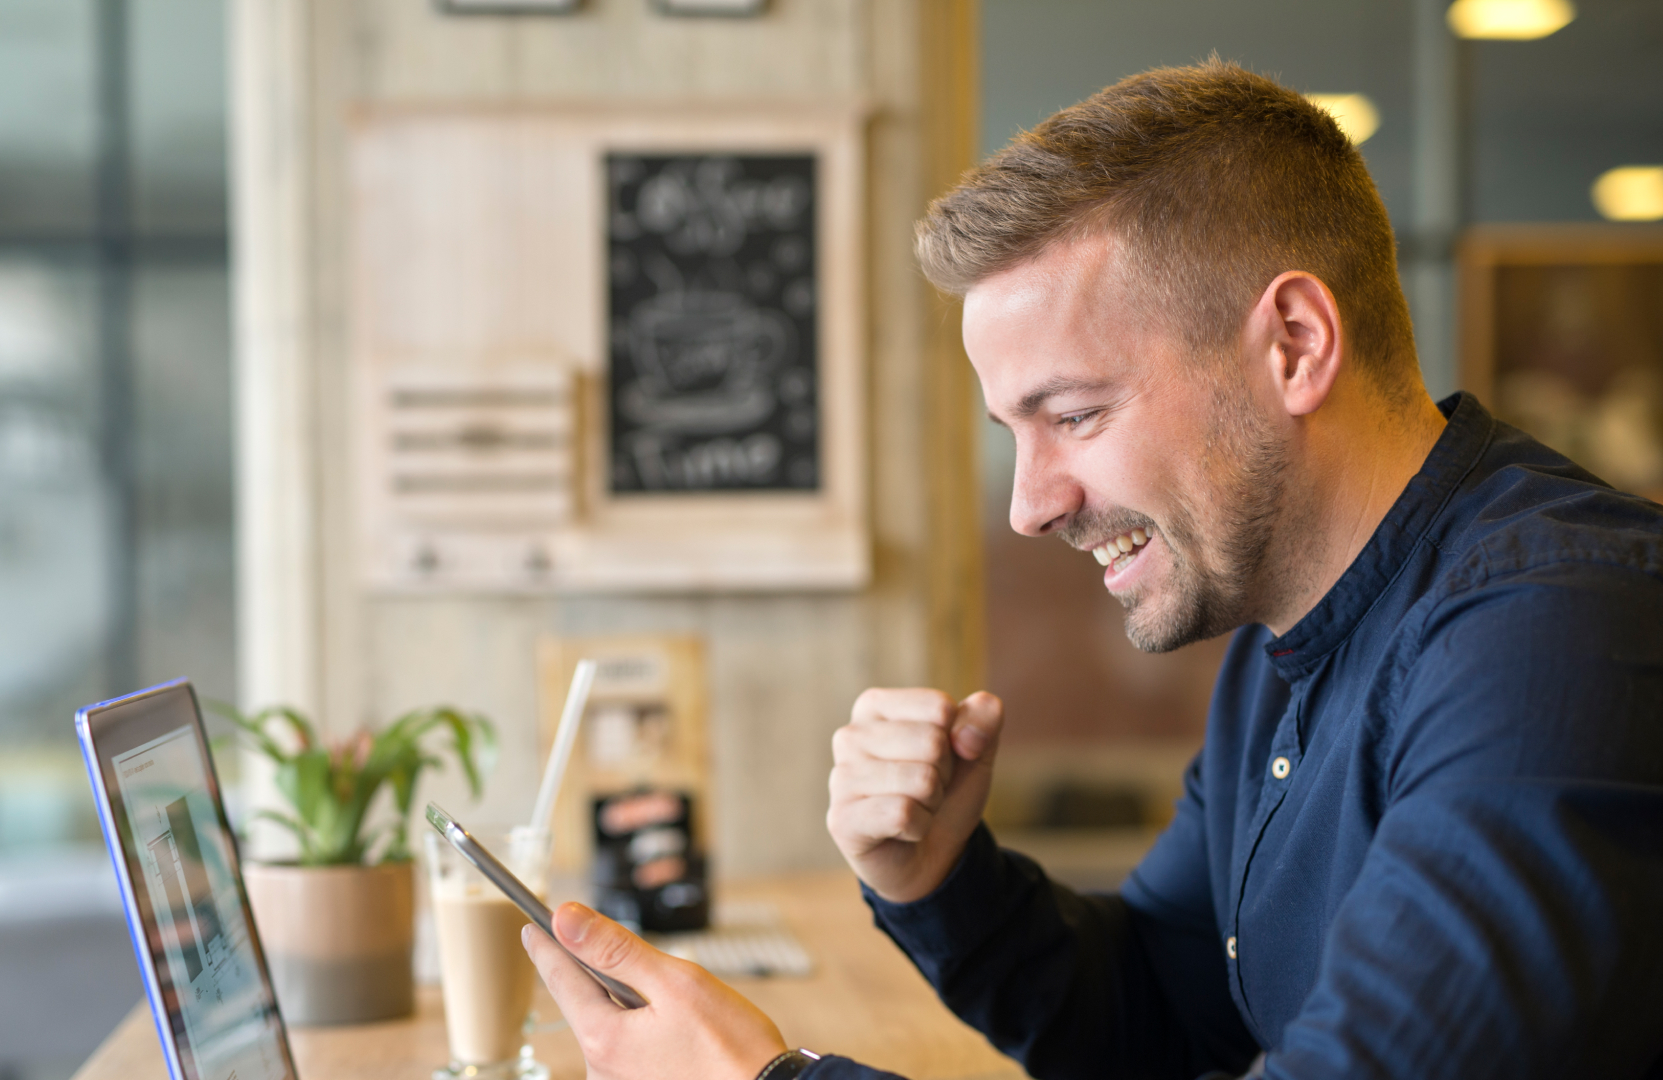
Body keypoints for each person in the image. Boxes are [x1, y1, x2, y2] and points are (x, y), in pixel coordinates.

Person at [520, 59, 1663, 1080]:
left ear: (1297, 345)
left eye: (1073, 412)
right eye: (1016, 432)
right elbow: (1160, 1015)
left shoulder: (1562, 628)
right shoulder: (1283, 635)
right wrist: (942, 876)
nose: (1028, 506)